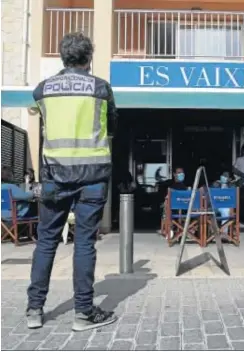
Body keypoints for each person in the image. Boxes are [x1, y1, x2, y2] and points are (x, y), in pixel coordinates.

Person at [26, 32, 118, 331]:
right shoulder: (101, 89)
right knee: (84, 243)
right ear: (89, 57)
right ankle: (83, 312)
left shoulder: (43, 90)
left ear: (62, 57)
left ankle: (35, 309)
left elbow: (40, 120)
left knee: (47, 242)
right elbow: (112, 127)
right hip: (92, 177)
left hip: (55, 175)